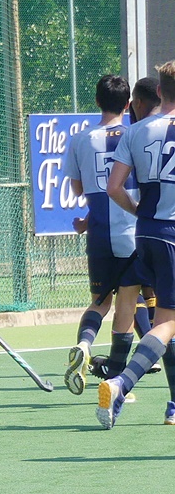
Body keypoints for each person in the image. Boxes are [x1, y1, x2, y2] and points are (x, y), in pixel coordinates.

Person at [99, 60, 175, 429]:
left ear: (159, 91)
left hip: (145, 232)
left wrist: (139, 212)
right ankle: (120, 382)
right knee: (167, 322)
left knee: (167, 319)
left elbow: (113, 188)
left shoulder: (137, 131)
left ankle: (174, 405)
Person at [62, 75, 143, 396]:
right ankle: (116, 380)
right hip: (134, 232)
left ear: (96, 102)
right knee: (127, 303)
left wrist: (86, 220)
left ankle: (84, 344)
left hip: (99, 233)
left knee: (99, 300)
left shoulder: (81, 140)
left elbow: (78, 189)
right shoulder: (137, 135)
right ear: (128, 104)